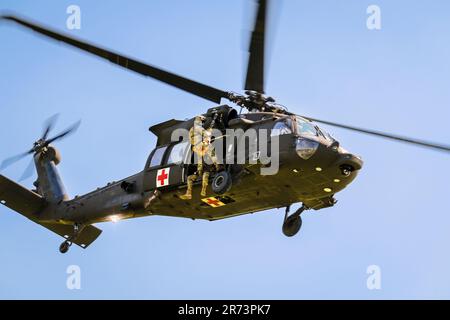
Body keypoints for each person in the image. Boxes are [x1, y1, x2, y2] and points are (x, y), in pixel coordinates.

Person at [180, 115, 219, 200]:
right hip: (202, 147)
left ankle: (189, 193)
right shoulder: (198, 128)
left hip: (197, 148)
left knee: (194, 174)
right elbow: (206, 134)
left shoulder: (191, 130)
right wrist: (209, 131)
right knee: (210, 163)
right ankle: (219, 168)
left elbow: (193, 140)